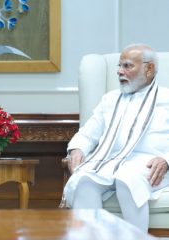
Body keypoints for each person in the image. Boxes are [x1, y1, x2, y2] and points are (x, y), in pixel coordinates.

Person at [63, 43, 169, 232]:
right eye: (119, 66)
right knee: (84, 181)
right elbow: (88, 133)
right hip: (109, 160)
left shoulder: (166, 98)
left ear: (149, 68)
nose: (119, 72)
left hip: (150, 165)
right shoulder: (110, 99)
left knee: (126, 179)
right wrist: (77, 149)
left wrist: (166, 160)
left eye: (127, 66)